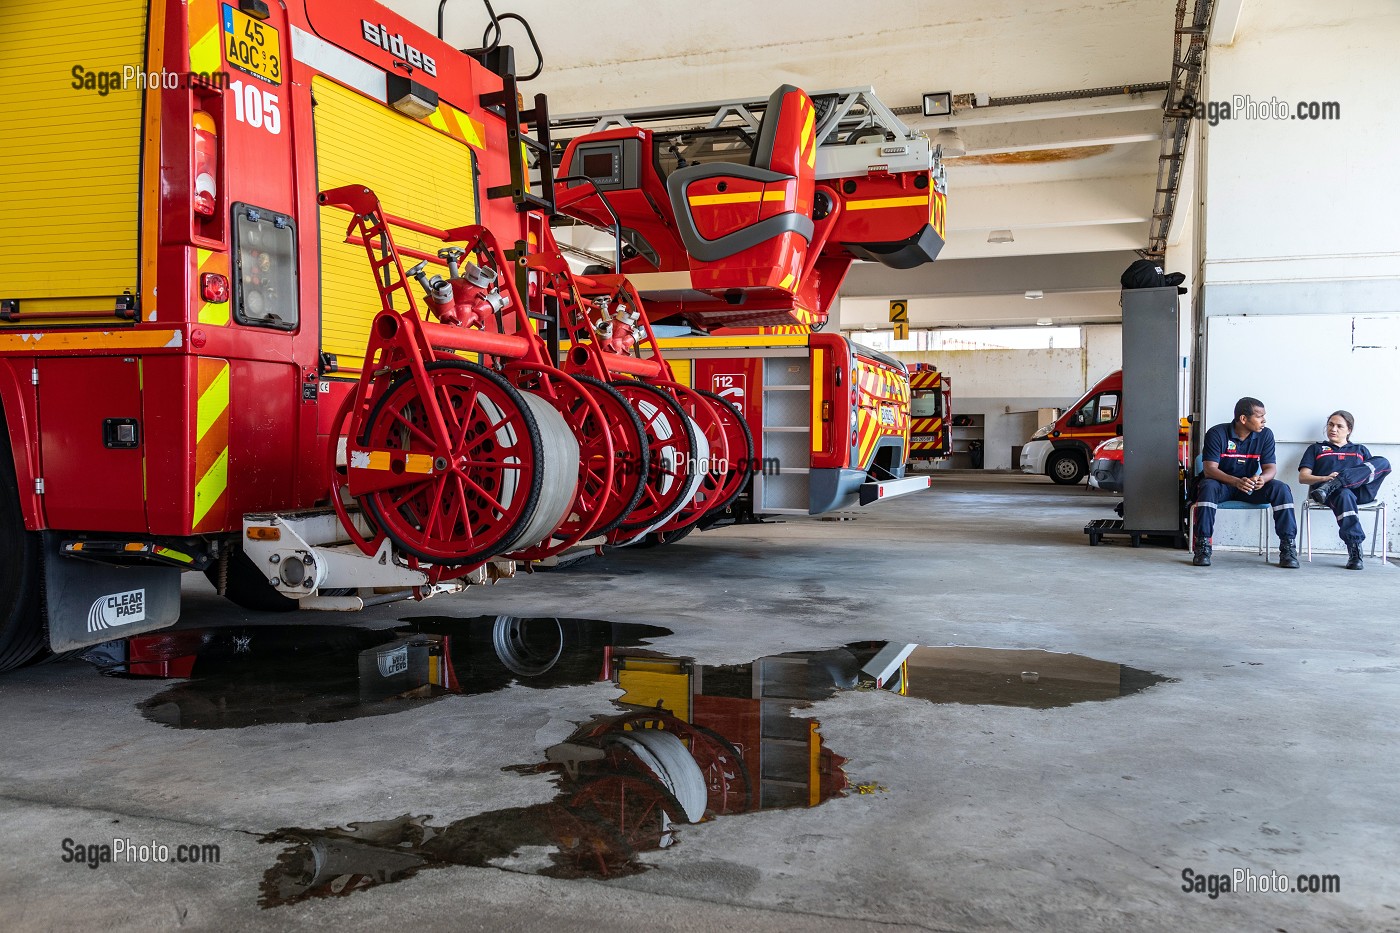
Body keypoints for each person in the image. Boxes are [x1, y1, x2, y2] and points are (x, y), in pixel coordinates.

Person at [1192, 397, 1298, 568]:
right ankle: (1203, 546)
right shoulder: (1217, 433)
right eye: (1259, 416)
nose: (1264, 420)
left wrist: (1262, 479)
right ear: (1243, 419)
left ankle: (1288, 547)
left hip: (1249, 486)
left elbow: (1270, 468)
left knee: (1281, 489)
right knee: (1207, 486)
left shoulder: (1265, 435)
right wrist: (1235, 482)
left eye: (1264, 416)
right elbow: (1209, 469)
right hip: (1223, 485)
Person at [1298, 410, 1391, 570]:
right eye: (1330, 425)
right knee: (1344, 493)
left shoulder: (1359, 449)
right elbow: (1303, 477)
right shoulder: (1316, 449)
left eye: (1339, 426)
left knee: (1383, 462)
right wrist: (1325, 479)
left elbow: (1371, 473)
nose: (1333, 429)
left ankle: (1339, 482)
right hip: (1330, 494)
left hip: (1360, 491)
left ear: (1349, 430)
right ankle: (1355, 549)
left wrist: (1340, 479)